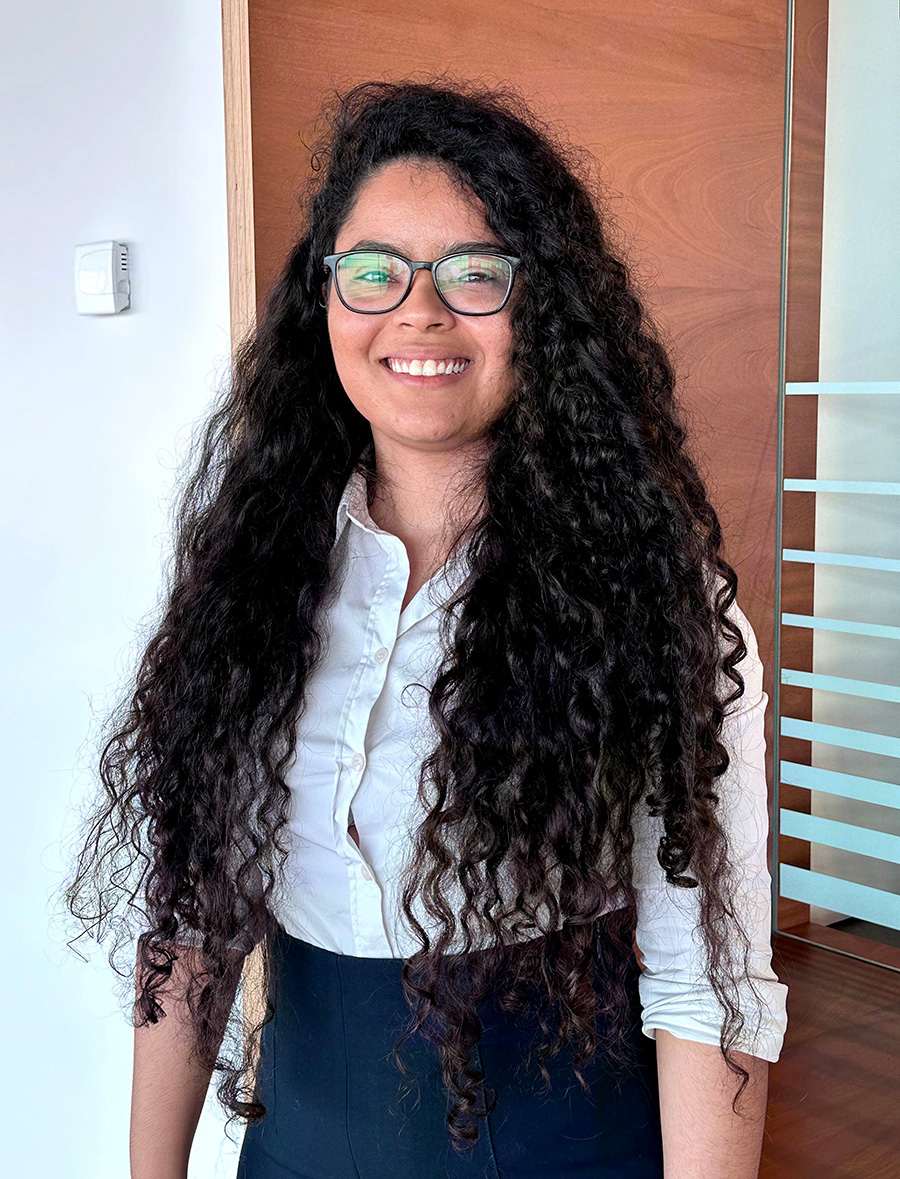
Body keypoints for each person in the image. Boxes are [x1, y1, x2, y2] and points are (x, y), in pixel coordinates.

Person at [61, 77, 788, 1179]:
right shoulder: (248, 579)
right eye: (374, 270)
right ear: (325, 298)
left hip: (565, 1151)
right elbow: (194, 925)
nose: (418, 311)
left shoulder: (655, 596)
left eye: (474, 272)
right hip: (295, 1147)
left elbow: (711, 981)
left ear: (543, 305)